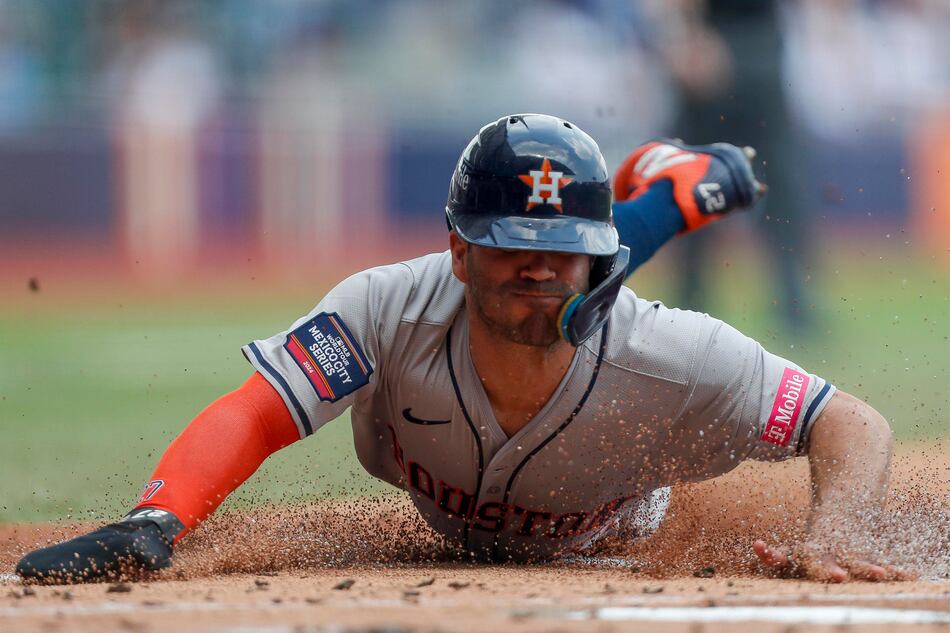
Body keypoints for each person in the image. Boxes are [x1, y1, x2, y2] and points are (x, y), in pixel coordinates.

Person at [17, 114, 903, 583]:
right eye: (502, 241)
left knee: (582, 273)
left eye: (558, 250)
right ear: (455, 245)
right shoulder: (387, 305)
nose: (534, 266)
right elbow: (257, 412)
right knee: (556, 274)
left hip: (611, 497)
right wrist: (154, 519)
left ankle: (686, 184)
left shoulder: (673, 354)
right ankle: (680, 186)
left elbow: (852, 423)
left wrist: (834, 534)